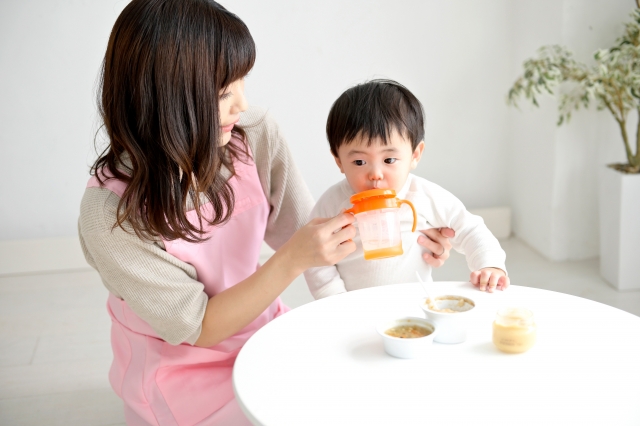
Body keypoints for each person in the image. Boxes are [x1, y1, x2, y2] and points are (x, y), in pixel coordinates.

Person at [78, 2, 452, 424]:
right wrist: (292, 258)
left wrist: (410, 241)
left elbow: (321, 237)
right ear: (165, 101)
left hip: (265, 332)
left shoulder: (251, 134)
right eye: (222, 93)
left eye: (241, 82)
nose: (241, 104)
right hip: (179, 369)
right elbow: (197, 325)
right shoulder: (110, 213)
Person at [304, 79, 510, 299]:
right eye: (359, 162)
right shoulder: (332, 204)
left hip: (417, 302)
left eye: (389, 159)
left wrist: (491, 265)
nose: (376, 174)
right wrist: (335, 298)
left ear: (415, 155)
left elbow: (470, 229)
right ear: (338, 161)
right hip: (354, 305)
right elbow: (314, 259)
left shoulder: (424, 195)